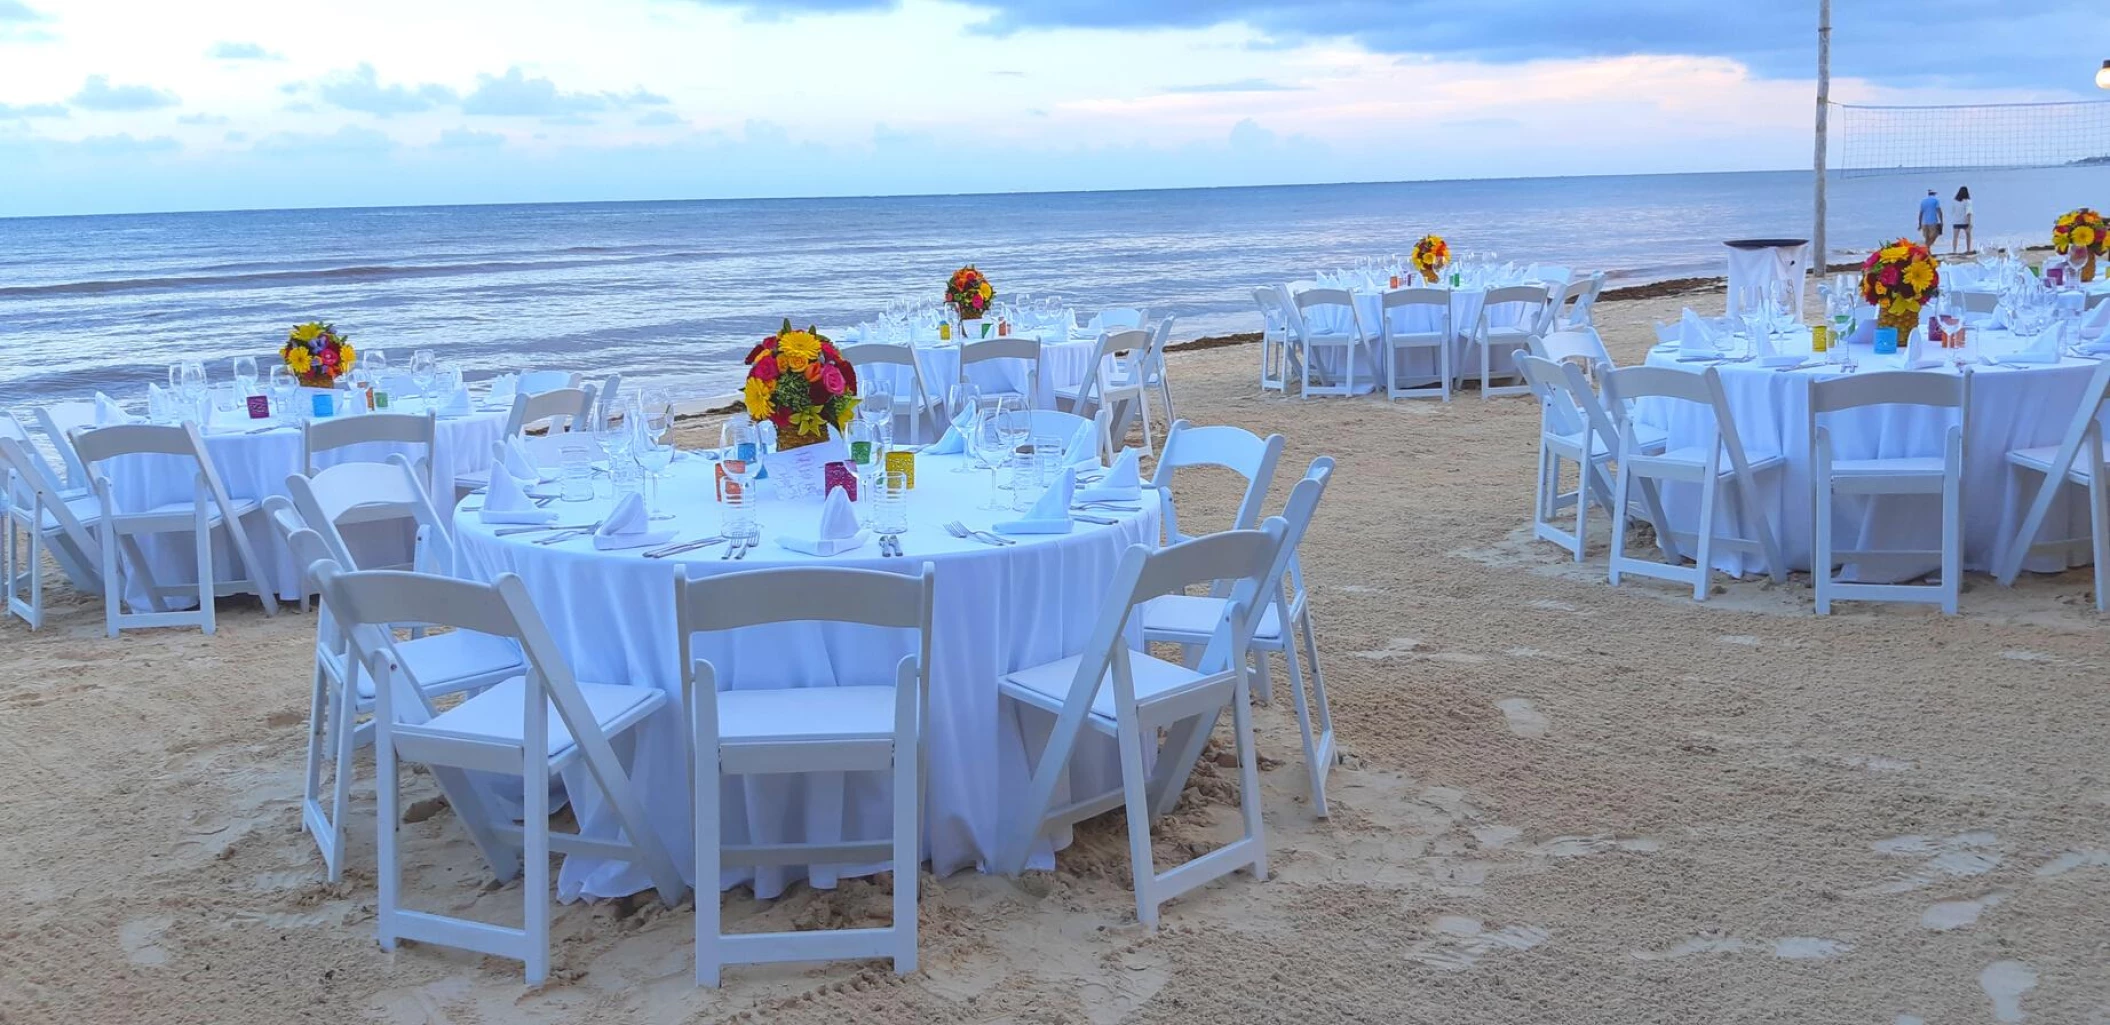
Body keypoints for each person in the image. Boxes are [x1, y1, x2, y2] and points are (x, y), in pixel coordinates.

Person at [1950, 186, 1974, 255]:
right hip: (1965, 221)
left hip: (1956, 221)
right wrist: (1969, 224)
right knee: (1968, 235)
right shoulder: (1968, 201)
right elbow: (1968, 213)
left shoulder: (1955, 201)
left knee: (1955, 237)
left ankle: (1954, 250)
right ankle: (1968, 249)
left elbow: (1953, 211)